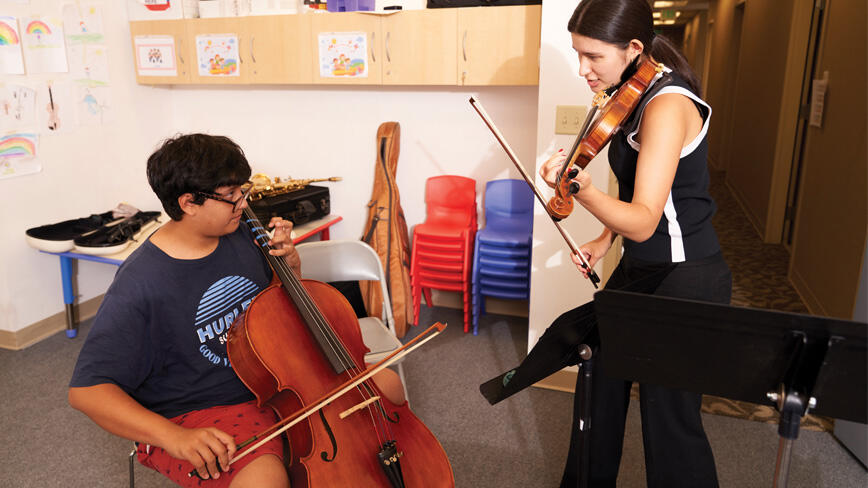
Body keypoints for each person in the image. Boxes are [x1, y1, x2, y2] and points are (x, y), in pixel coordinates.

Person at [68, 134, 405, 488]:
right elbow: (87, 391)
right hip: (203, 408)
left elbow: (272, 310)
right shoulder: (140, 283)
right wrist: (172, 437)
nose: (244, 204)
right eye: (231, 196)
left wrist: (288, 267)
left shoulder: (243, 232)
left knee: (387, 386)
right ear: (189, 203)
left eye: (242, 192)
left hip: (277, 376)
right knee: (264, 482)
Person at [538, 1, 732, 487]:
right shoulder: (629, 90)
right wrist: (606, 237)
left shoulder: (668, 105)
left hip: (686, 276)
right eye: (577, 54)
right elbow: (638, 187)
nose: (582, 69)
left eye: (593, 57)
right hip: (642, 265)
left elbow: (645, 219)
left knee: (669, 420)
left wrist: (577, 187)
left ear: (634, 48)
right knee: (597, 379)